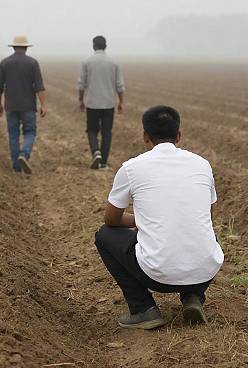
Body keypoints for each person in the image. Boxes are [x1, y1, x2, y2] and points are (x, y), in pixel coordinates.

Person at [94, 105, 224, 329]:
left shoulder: (131, 168)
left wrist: (144, 221)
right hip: (205, 272)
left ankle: (143, 309)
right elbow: (207, 217)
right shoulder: (202, 164)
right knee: (202, 232)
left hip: (156, 275)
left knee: (104, 235)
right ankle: (193, 296)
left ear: (145, 137)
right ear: (179, 136)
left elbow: (111, 220)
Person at [0, 35, 46, 174]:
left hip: (11, 105)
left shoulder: (5, 63)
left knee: (13, 134)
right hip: (28, 105)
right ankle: (24, 154)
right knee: (30, 132)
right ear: (26, 47)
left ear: (14, 47)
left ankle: (16, 167)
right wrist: (43, 105)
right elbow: (39, 86)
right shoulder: (33, 63)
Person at [78, 36, 125, 170]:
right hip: (108, 103)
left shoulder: (87, 62)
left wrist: (81, 100)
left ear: (93, 46)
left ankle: (95, 152)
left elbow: (81, 84)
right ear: (105, 46)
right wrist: (121, 101)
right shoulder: (114, 63)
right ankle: (103, 162)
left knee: (92, 130)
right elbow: (119, 85)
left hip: (92, 103)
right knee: (107, 132)